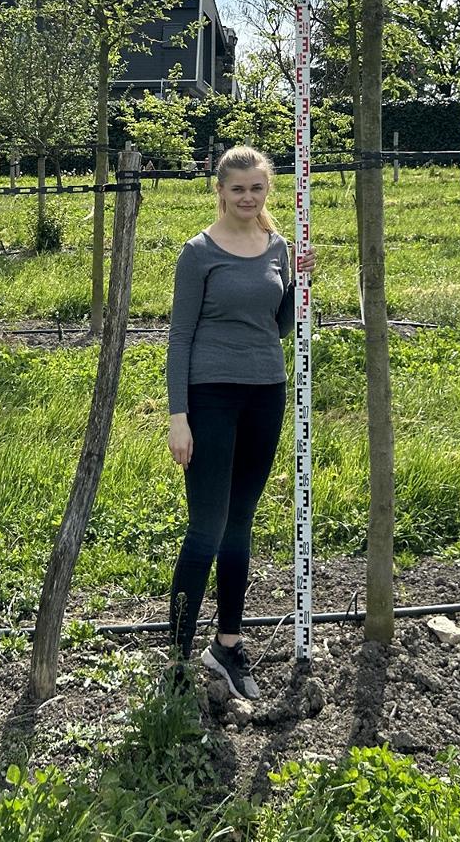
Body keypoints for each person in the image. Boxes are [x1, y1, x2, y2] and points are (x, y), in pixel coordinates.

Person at [166, 143, 314, 699]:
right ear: (220, 191)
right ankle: (179, 658)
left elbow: (277, 326)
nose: (247, 197)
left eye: (256, 188)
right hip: (209, 397)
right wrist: (179, 416)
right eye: (237, 189)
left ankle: (226, 646)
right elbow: (179, 336)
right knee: (206, 526)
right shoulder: (198, 252)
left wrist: (298, 284)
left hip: (265, 393)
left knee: (240, 525)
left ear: (267, 190)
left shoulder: (279, 247)